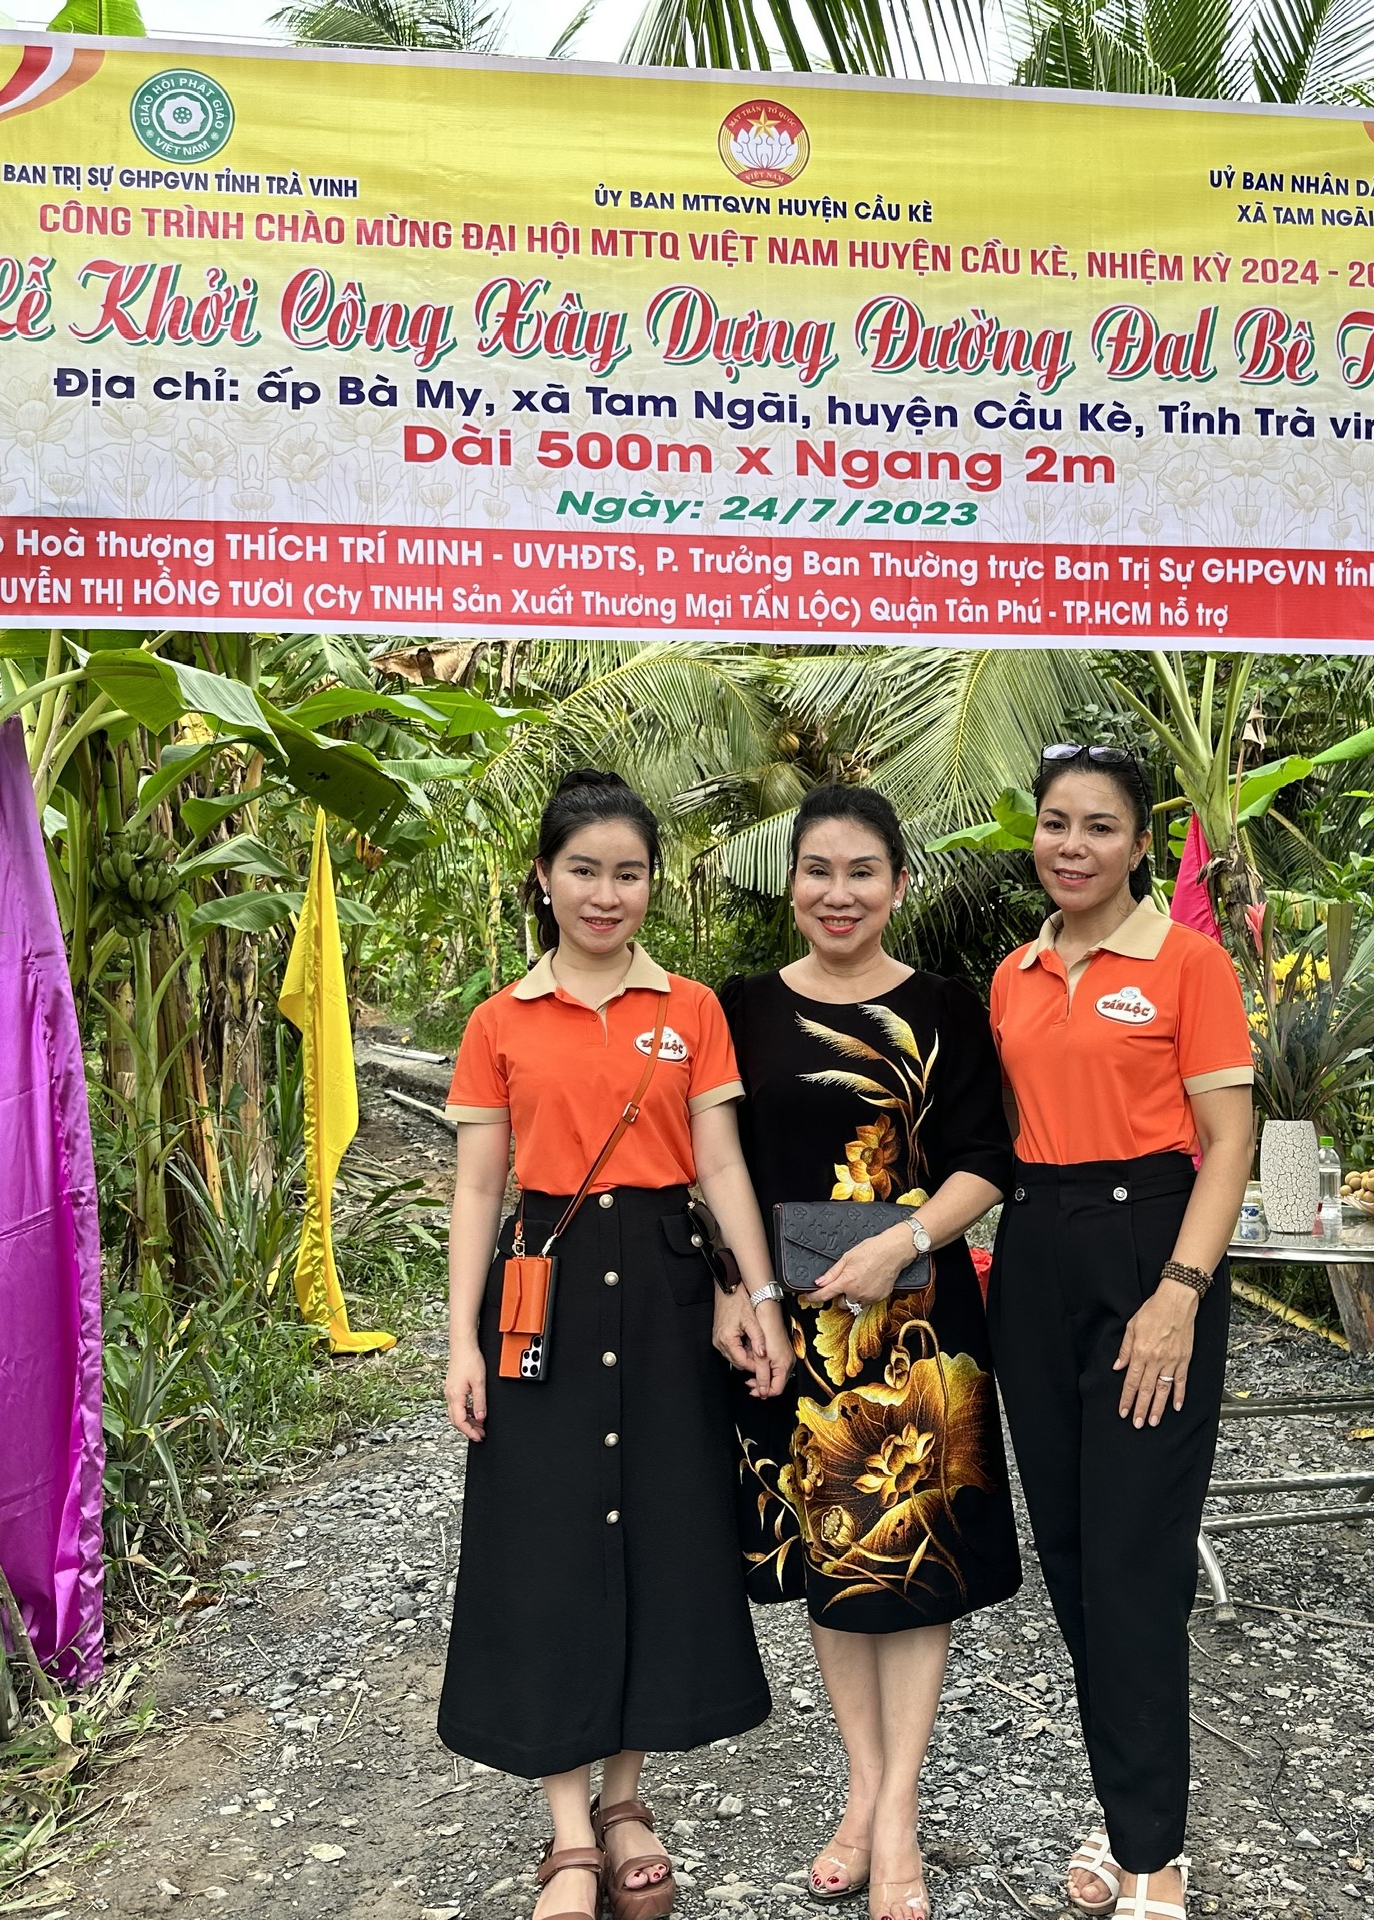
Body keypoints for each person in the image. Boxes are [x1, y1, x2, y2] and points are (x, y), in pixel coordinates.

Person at [440, 769, 793, 1920]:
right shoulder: (499, 1020)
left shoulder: (690, 1009)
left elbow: (720, 1164)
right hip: (540, 1287)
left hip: (667, 1288)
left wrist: (757, 1295)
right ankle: (566, 1832)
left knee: (657, 1528)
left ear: (651, 885)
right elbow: (478, 1188)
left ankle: (626, 1797)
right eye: (583, 871)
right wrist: (459, 1344)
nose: (605, 894)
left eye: (628, 874)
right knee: (542, 1543)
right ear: (542, 880)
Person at [722, 785, 1021, 1920]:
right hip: (789, 1322)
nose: (837, 894)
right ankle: (862, 1791)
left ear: (898, 885)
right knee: (832, 1559)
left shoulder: (943, 1005)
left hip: (916, 1325)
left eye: (862, 872)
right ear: (790, 882)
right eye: (818, 871)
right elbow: (712, 1167)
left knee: (915, 1559)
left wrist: (903, 1238)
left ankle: (894, 1816)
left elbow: (987, 1159)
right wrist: (737, 1292)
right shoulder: (738, 1009)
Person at [985, 746, 1255, 1920]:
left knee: (1136, 1559)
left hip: (1150, 1246)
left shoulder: (1188, 963)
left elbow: (1229, 1141)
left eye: (1100, 826)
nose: (1073, 845)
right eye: (1055, 823)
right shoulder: (1012, 975)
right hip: (1035, 1251)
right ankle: (1125, 1802)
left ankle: (1153, 1852)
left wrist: (1179, 1291)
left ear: (1141, 845)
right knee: (1072, 1557)